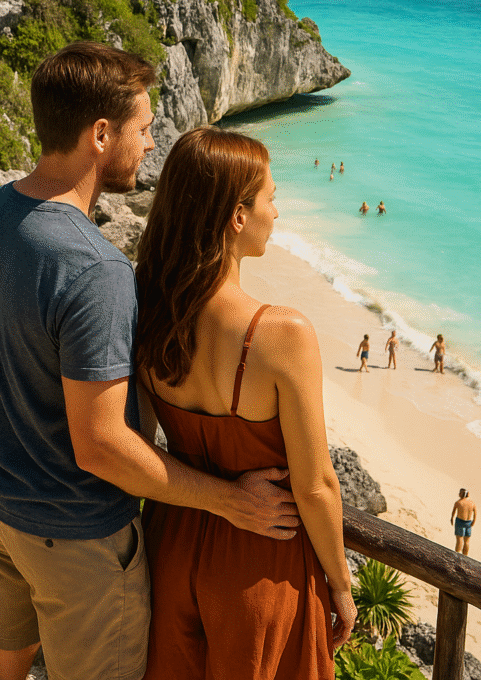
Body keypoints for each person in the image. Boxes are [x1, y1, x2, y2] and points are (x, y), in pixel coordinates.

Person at [0, 43, 298, 680]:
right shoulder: (95, 269)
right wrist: (230, 502)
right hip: (74, 537)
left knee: (0, 663)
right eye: (143, 127)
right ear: (100, 134)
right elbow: (102, 446)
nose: (151, 141)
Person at [135, 128, 357, 679]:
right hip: (262, 557)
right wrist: (342, 585)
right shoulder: (281, 334)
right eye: (270, 199)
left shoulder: (145, 309)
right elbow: (316, 485)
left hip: (172, 543)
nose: (276, 213)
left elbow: (135, 439)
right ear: (237, 215)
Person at [451, 488, 477, 555]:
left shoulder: (458, 502)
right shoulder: (472, 503)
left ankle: (457, 554)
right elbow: (475, 513)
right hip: (468, 522)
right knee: (467, 541)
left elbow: (453, 512)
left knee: (459, 539)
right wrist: (474, 521)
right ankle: (465, 555)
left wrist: (452, 519)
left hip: (460, 522)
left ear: (461, 494)